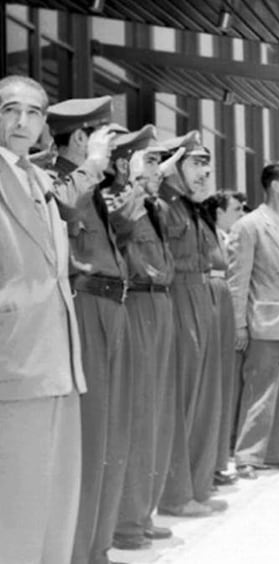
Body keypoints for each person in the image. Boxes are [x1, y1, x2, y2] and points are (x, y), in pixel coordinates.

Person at [0, 76, 109, 564]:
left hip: (59, 360)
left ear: (45, 124)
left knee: (54, 502)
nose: (21, 122)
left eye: (33, 113)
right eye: (10, 109)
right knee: (17, 503)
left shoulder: (39, 180)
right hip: (15, 359)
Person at [47, 95, 137, 564]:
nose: (110, 151)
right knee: (91, 432)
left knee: (111, 431)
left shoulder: (91, 185)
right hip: (86, 305)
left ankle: (97, 543)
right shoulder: (56, 178)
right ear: (81, 137)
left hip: (110, 303)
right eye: (103, 138)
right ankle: (78, 548)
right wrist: (95, 168)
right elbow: (58, 211)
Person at [109, 128, 180, 551]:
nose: (160, 168)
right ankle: (128, 521)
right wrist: (138, 184)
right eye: (150, 160)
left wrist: (151, 179)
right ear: (124, 165)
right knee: (138, 415)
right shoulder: (120, 202)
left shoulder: (151, 204)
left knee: (155, 415)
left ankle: (142, 512)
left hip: (159, 304)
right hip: (137, 304)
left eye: (160, 162)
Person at [157, 132, 227, 518]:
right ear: (174, 166)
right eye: (197, 163)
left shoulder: (192, 208)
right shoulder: (166, 206)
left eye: (207, 164)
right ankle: (175, 495)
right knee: (183, 401)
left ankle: (197, 488)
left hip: (203, 299)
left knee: (204, 402)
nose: (206, 172)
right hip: (179, 297)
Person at [229, 163, 279, 472]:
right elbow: (238, 280)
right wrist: (239, 324)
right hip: (263, 322)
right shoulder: (249, 225)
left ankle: (276, 450)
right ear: (275, 186)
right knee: (259, 391)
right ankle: (248, 455)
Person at [204, 189, 249, 482]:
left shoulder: (226, 238)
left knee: (226, 388)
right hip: (213, 309)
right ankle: (211, 463)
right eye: (235, 209)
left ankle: (220, 458)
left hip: (224, 313)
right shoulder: (209, 238)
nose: (241, 215)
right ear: (218, 212)